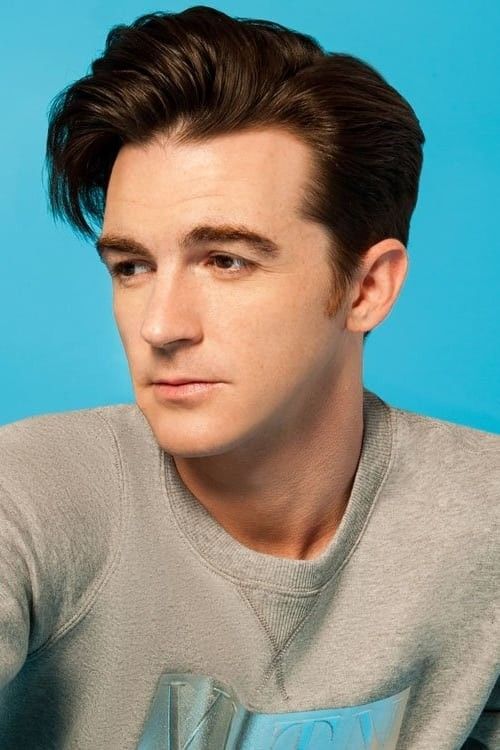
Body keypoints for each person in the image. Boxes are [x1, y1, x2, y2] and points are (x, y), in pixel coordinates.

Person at [0, 5, 498, 749]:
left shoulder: (482, 516)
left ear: (366, 289)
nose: (161, 325)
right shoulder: (30, 496)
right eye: (132, 266)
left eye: (226, 260)